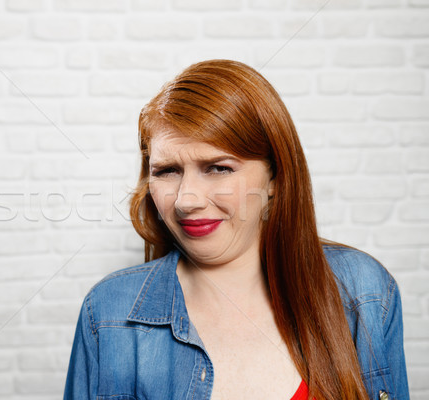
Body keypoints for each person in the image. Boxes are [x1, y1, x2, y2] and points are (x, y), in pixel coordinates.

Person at [63, 60, 409, 400]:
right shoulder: (108, 312)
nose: (187, 200)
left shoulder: (365, 292)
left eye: (218, 168)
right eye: (167, 171)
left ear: (274, 176)